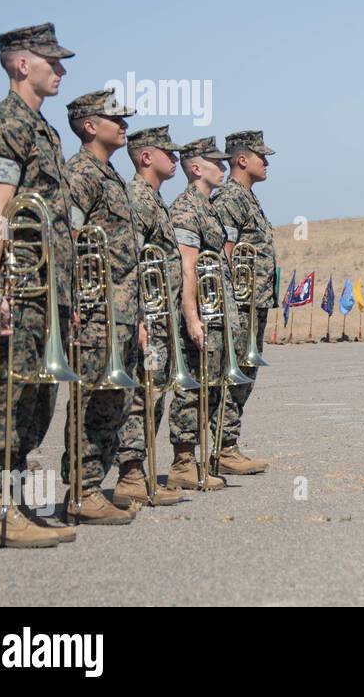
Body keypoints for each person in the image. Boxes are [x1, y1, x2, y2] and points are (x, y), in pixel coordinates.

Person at [0, 23, 77, 547]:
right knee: (3, 399)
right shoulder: (6, 125)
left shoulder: (41, 129)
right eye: (51, 61)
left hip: (43, 292)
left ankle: (17, 504)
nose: (61, 70)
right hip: (16, 288)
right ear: (20, 64)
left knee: (34, 400)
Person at [62, 89, 146, 523]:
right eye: (116, 119)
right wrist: (75, 301)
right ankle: (82, 487)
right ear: (90, 126)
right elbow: (68, 240)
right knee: (93, 397)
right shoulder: (81, 174)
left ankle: (93, 483)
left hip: (122, 311)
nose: (124, 125)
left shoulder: (108, 174)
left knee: (115, 400)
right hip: (96, 310)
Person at [116, 125, 189, 507]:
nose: (175, 159)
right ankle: (130, 475)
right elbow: (130, 262)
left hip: (163, 319)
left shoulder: (156, 199)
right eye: (168, 153)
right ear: (147, 157)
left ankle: (141, 473)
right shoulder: (139, 199)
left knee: (155, 394)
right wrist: (143, 318)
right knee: (142, 395)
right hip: (149, 318)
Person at [167, 137, 238, 490]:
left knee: (211, 386)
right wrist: (192, 316)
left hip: (217, 314)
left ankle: (200, 459)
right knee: (191, 387)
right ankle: (183, 461)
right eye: (216, 163)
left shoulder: (208, 207)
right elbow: (187, 267)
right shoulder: (185, 209)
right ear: (196, 168)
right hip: (200, 317)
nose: (223, 168)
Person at [213, 130, 276, 476]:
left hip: (255, 301)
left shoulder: (247, 198)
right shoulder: (230, 199)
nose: (265, 162)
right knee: (233, 375)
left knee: (244, 376)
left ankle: (227, 444)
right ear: (241, 160)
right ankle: (222, 447)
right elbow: (224, 253)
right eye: (260, 156)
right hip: (240, 303)